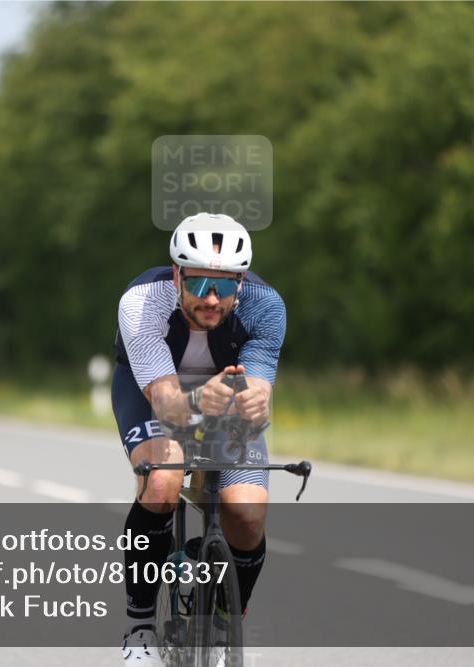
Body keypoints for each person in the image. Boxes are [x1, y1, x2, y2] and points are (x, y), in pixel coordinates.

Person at [114, 213, 286, 666]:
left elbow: (260, 387)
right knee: (162, 482)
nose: (213, 299)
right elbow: (168, 402)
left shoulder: (266, 306)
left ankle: (229, 617)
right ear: (177, 275)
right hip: (152, 393)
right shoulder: (142, 301)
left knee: (247, 513)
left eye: (226, 287)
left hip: (223, 400)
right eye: (200, 285)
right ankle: (139, 631)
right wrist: (197, 402)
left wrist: (255, 403)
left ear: (241, 283)